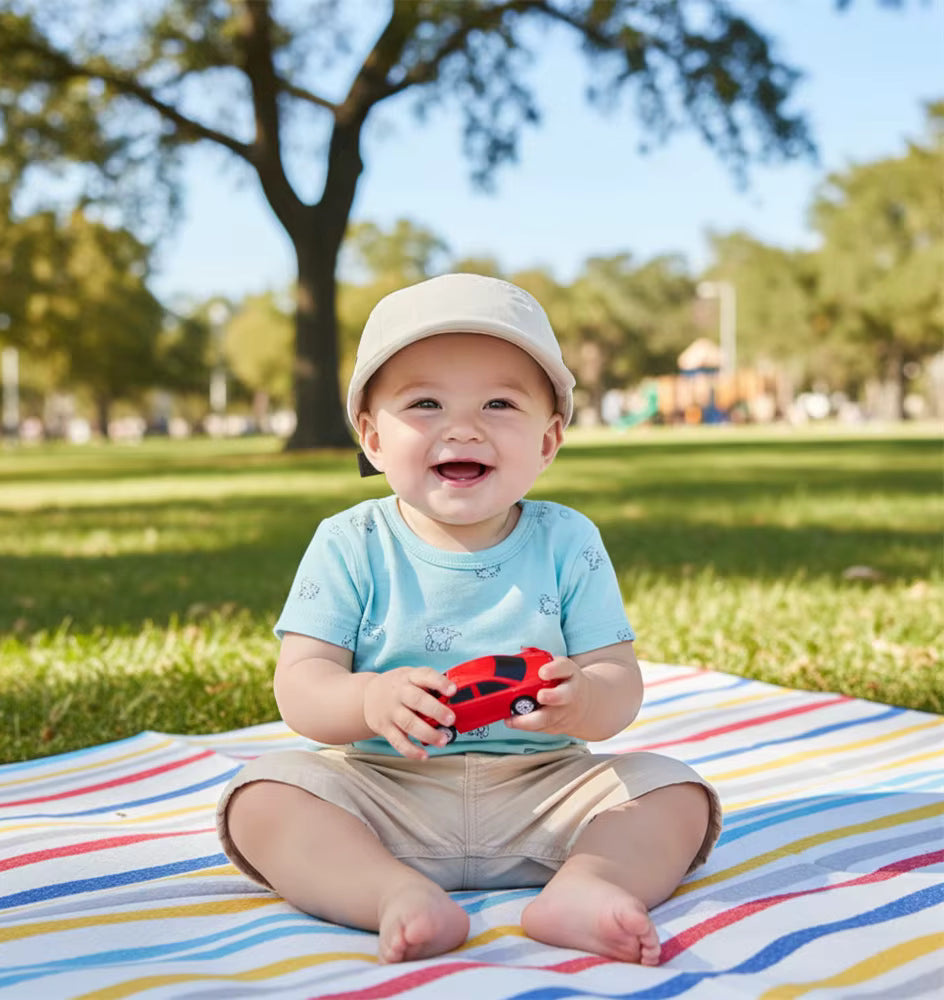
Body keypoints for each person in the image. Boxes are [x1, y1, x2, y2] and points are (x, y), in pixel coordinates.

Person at [217, 273, 722, 966]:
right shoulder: (349, 542)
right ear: (370, 436)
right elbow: (300, 685)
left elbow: (619, 682)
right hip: (388, 789)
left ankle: (587, 885)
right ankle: (390, 893)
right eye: (425, 403)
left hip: (545, 790)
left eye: (499, 403)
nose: (463, 427)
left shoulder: (568, 540)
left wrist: (585, 698)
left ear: (548, 442)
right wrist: (368, 698)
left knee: (675, 793)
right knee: (263, 797)